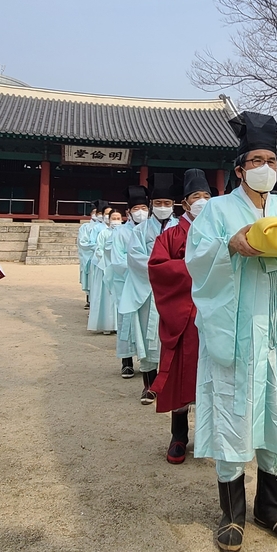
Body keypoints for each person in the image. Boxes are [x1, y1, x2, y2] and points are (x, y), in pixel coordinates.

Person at [186, 112, 277, 552]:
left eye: (272, 159)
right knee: (235, 412)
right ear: (241, 168)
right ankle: (232, 514)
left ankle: (272, 507)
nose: (266, 166)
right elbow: (198, 264)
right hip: (239, 329)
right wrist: (229, 247)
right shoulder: (217, 211)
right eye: (257, 159)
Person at [147, 169, 211, 464]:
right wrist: (196, 269)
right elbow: (159, 269)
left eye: (207, 196)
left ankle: (212, 436)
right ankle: (179, 435)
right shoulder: (171, 236)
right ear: (184, 205)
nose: (202, 202)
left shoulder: (219, 232)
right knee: (182, 376)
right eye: (196, 197)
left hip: (215, 313)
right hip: (184, 313)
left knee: (216, 377)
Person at [118, 173, 177, 405]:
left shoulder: (181, 228)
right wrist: (163, 269)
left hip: (175, 290)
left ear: (174, 205)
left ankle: (171, 383)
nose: (163, 207)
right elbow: (135, 258)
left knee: (173, 338)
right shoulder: (140, 231)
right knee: (149, 337)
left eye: (168, 203)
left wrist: (174, 272)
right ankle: (150, 386)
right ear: (152, 205)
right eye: (159, 203)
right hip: (149, 290)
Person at [112, 187, 148, 379]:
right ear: (128, 212)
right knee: (126, 320)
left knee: (147, 324)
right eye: (136, 208)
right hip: (127, 283)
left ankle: (149, 362)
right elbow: (117, 261)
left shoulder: (152, 230)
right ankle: (126, 361)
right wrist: (138, 266)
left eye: (144, 207)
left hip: (148, 281)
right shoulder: (120, 233)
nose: (140, 211)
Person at [87, 203, 116, 333]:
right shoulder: (103, 232)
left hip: (119, 269)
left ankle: (117, 325)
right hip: (105, 266)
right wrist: (107, 262)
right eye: (113, 218)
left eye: (117, 218)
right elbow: (99, 249)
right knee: (105, 298)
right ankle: (106, 325)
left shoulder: (125, 232)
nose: (115, 221)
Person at [78, 201, 108, 309]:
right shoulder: (86, 227)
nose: (98, 214)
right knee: (90, 279)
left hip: (104, 257)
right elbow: (83, 242)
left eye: (100, 212)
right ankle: (90, 300)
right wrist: (98, 247)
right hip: (90, 256)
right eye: (95, 212)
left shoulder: (107, 226)